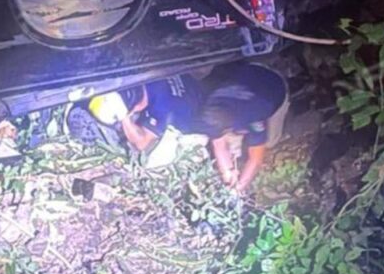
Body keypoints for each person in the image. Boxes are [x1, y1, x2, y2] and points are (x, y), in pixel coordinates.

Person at [88, 63, 288, 192]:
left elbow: (256, 158)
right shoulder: (214, 102)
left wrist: (240, 187)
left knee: (268, 142)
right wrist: (228, 174)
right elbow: (218, 144)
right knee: (227, 146)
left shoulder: (255, 117)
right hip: (249, 72)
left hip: (274, 87)